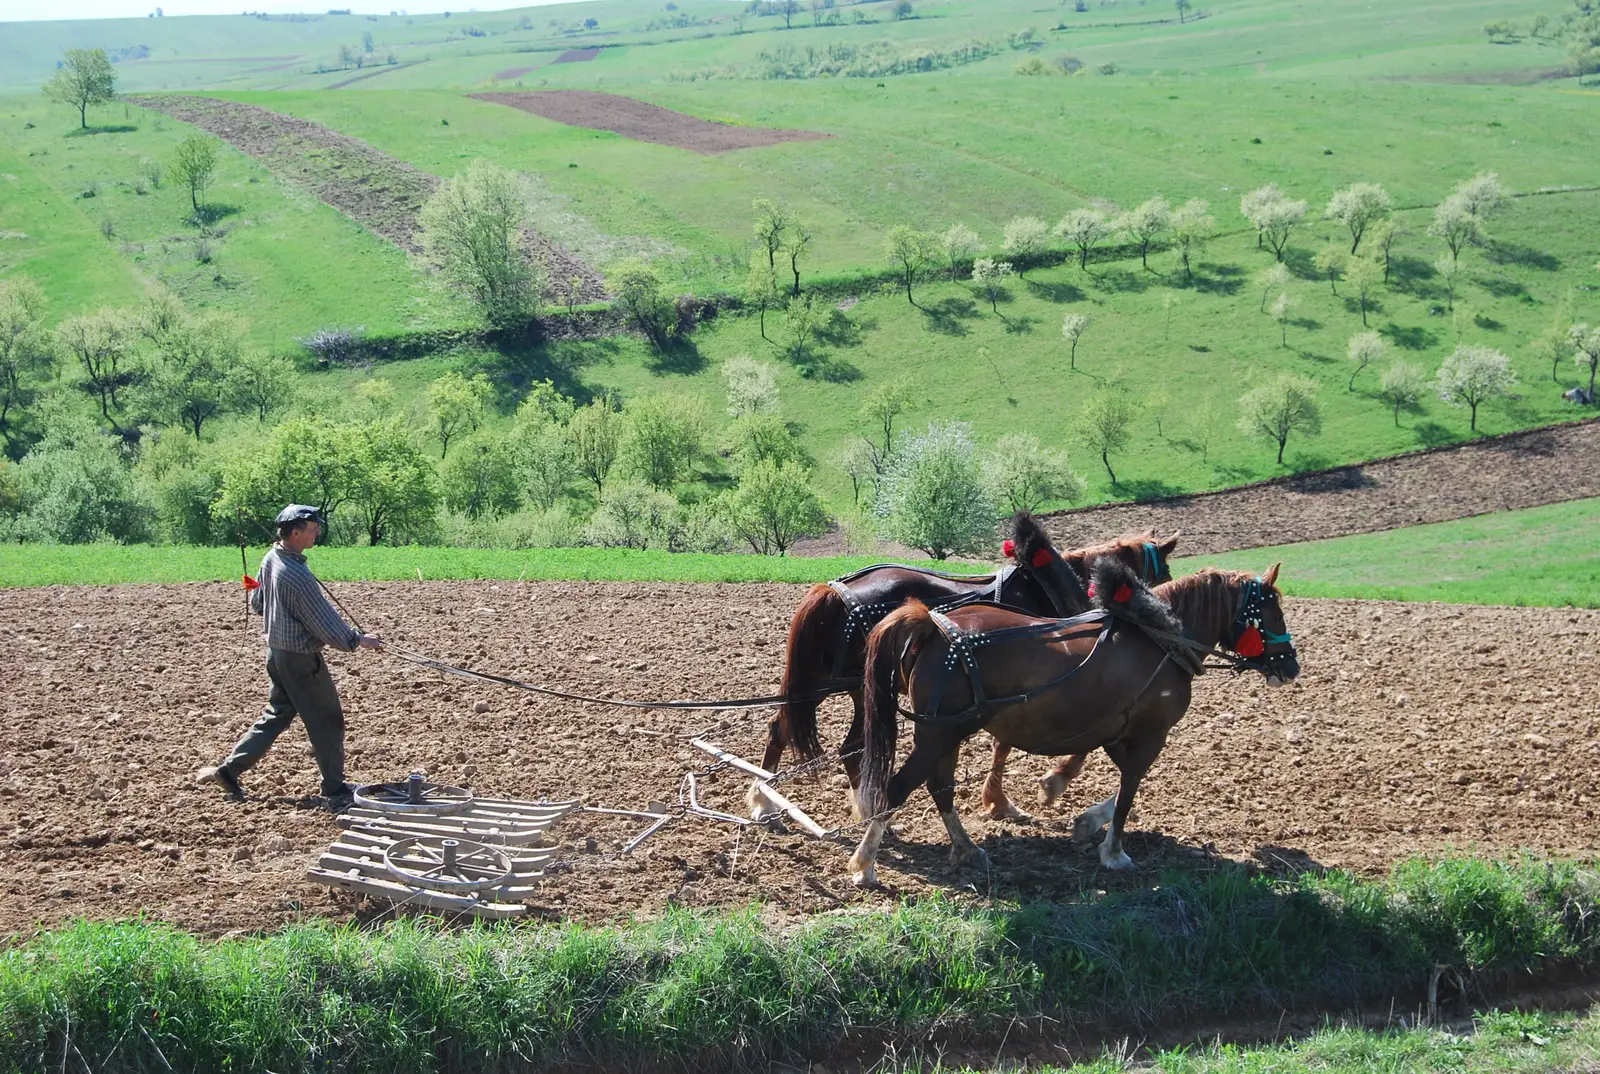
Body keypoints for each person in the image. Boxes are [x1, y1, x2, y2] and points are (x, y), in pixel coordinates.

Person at [196, 504, 382, 809]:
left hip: (278, 653)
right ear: (295, 533)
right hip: (300, 660)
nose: (318, 531)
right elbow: (323, 622)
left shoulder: (273, 558)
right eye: (312, 528)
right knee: (327, 720)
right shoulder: (295, 575)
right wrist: (358, 640)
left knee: (276, 715)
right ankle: (335, 788)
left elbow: (257, 601)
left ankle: (229, 771)